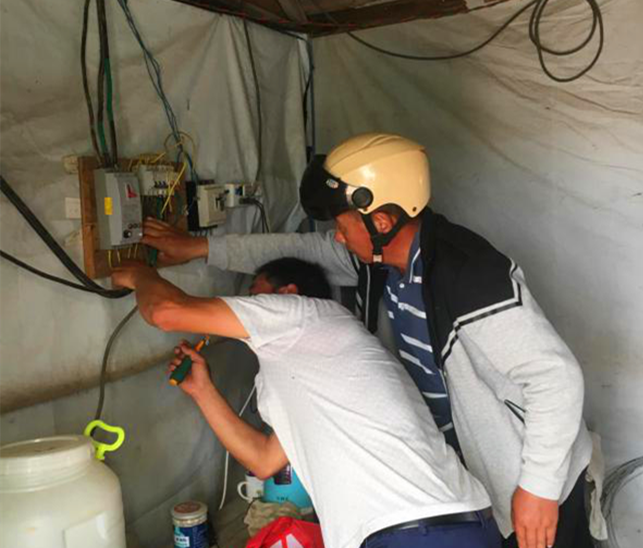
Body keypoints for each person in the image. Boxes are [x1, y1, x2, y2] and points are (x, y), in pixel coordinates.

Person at [141, 133, 594, 548]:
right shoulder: (377, 263)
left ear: (381, 220)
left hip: (537, 477)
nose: (336, 238)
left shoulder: (468, 274)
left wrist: (538, 488)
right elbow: (291, 250)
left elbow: (554, 378)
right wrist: (200, 248)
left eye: (342, 225)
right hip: (471, 484)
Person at [112, 257, 501, 548]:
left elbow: (166, 312)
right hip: (443, 524)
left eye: (254, 296)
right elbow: (264, 460)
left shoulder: (305, 315)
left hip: (412, 527)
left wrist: (140, 274)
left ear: (287, 295)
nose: (244, 307)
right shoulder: (311, 364)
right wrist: (203, 390)